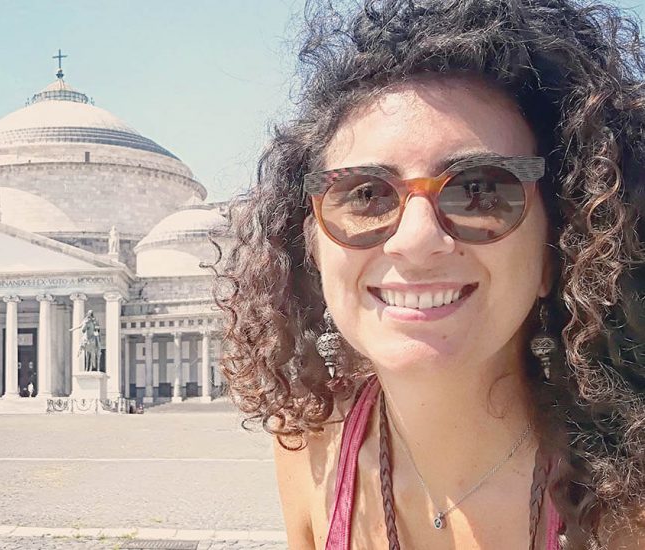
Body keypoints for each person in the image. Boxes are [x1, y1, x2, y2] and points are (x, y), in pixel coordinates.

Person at [215, 1, 645, 548]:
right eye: (365, 195)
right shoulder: (307, 447)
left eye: (480, 190)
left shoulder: (629, 507)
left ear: (557, 248)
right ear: (314, 248)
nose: (416, 242)